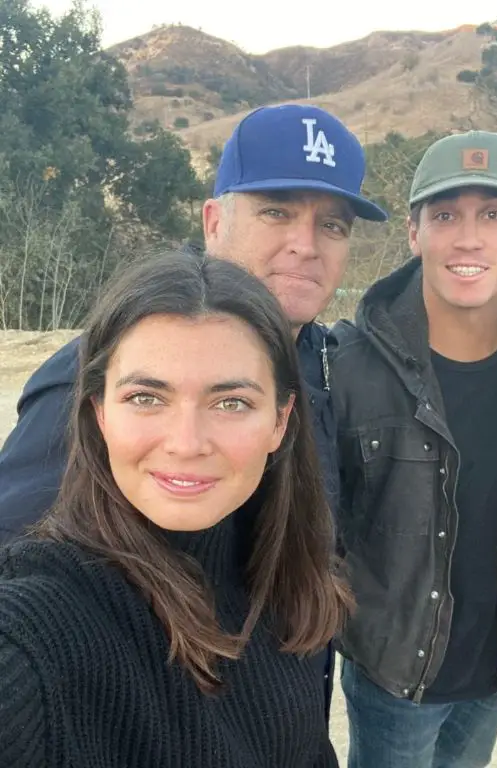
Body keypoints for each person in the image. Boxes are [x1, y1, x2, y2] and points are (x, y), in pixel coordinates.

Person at [0, 103, 387, 722]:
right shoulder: (110, 369)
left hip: (285, 708)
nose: (305, 245)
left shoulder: (315, 356)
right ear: (213, 220)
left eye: (333, 225)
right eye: (276, 212)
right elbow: (21, 570)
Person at [0, 250, 353, 767]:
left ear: (280, 421)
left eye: (231, 402)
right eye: (146, 397)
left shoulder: (286, 587)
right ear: (100, 413)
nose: (187, 443)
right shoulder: (33, 633)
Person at [330, 130, 497, 767]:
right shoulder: (349, 364)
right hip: (393, 677)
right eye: (445, 215)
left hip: (493, 668)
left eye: (492, 214)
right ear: (414, 232)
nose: (468, 238)